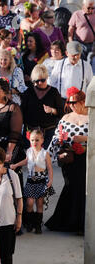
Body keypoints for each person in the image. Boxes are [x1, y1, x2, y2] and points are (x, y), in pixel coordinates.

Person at [45, 87, 89, 235]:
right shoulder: (65, 118)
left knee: (80, 189)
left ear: (83, 101)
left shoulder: (91, 117)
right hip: (68, 158)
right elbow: (55, 138)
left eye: (74, 102)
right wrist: (49, 156)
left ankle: (79, 224)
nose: (71, 105)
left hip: (84, 158)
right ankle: (69, 222)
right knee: (71, 187)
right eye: (69, 102)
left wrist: (84, 139)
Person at [11, 129, 54, 234]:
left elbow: (49, 168)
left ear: (42, 140)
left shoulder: (45, 153)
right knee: (29, 203)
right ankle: (30, 223)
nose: (35, 142)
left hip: (41, 180)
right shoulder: (29, 151)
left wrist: (50, 180)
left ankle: (38, 225)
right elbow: (26, 161)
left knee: (39, 203)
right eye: (32, 140)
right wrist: (16, 165)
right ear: (29, 140)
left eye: (37, 140)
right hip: (31, 180)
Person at [20, 64, 64, 149]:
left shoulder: (53, 92)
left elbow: (61, 112)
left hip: (48, 132)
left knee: (46, 158)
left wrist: (52, 110)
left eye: (42, 80)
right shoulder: (29, 92)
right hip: (31, 132)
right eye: (37, 81)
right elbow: (22, 111)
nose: (40, 83)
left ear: (47, 78)